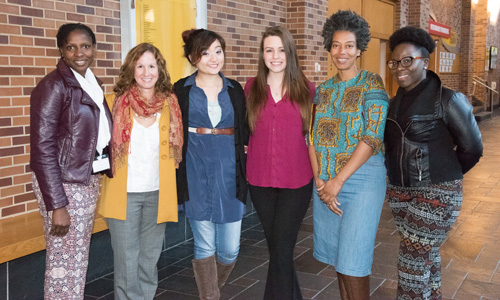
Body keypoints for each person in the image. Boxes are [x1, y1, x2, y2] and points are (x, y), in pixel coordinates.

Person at [384, 26, 483, 300]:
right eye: (394, 62)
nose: (399, 67)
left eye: (407, 60)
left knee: (411, 261)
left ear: (425, 62)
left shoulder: (448, 99)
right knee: (425, 256)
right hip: (400, 193)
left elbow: (472, 149)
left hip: (437, 191)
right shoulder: (393, 104)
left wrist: (443, 178)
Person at [308, 10, 389, 300]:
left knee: (354, 261)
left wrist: (337, 182)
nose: (342, 52)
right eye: (336, 45)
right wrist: (320, 181)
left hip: (361, 180)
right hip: (326, 183)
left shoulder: (372, 83)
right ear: (329, 47)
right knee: (340, 261)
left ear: (359, 49)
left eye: (349, 45)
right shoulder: (323, 90)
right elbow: (312, 138)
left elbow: (372, 136)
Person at [30, 23, 113, 299]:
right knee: (63, 264)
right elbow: (41, 149)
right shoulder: (54, 86)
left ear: (94, 49)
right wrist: (57, 205)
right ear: (61, 51)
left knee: (76, 260)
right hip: (64, 186)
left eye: (86, 46)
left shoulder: (90, 81)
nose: (80, 52)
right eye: (71, 47)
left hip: (85, 180)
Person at [98, 43, 183, 300]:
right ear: (131, 69)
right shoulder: (114, 103)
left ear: (160, 70)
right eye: (140, 66)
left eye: (152, 66)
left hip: (158, 192)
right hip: (124, 194)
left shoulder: (170, 103)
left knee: (149, 258)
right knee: (126, 260)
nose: (147, 72)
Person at [174, 29, 248, 300]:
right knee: (204, 245)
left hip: (230, 172)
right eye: (205, 53)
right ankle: (210, 296)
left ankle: (211, 289)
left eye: (218, 50)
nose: (213, 58)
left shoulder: (235, 89)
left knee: (230, 249)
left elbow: (245, 130)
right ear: (193, 57)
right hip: (195, 171)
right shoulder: (180, 89)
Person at [244, 26, 315, 300]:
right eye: (269, 50)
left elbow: (315, 135)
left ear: (290, 53)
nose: (275, 56)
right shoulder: (251, 88)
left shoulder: (307, 90)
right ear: (262, 54)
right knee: (277, 250)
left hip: (296, 182)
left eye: (281, 50)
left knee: (282, 249)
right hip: (260, 180)